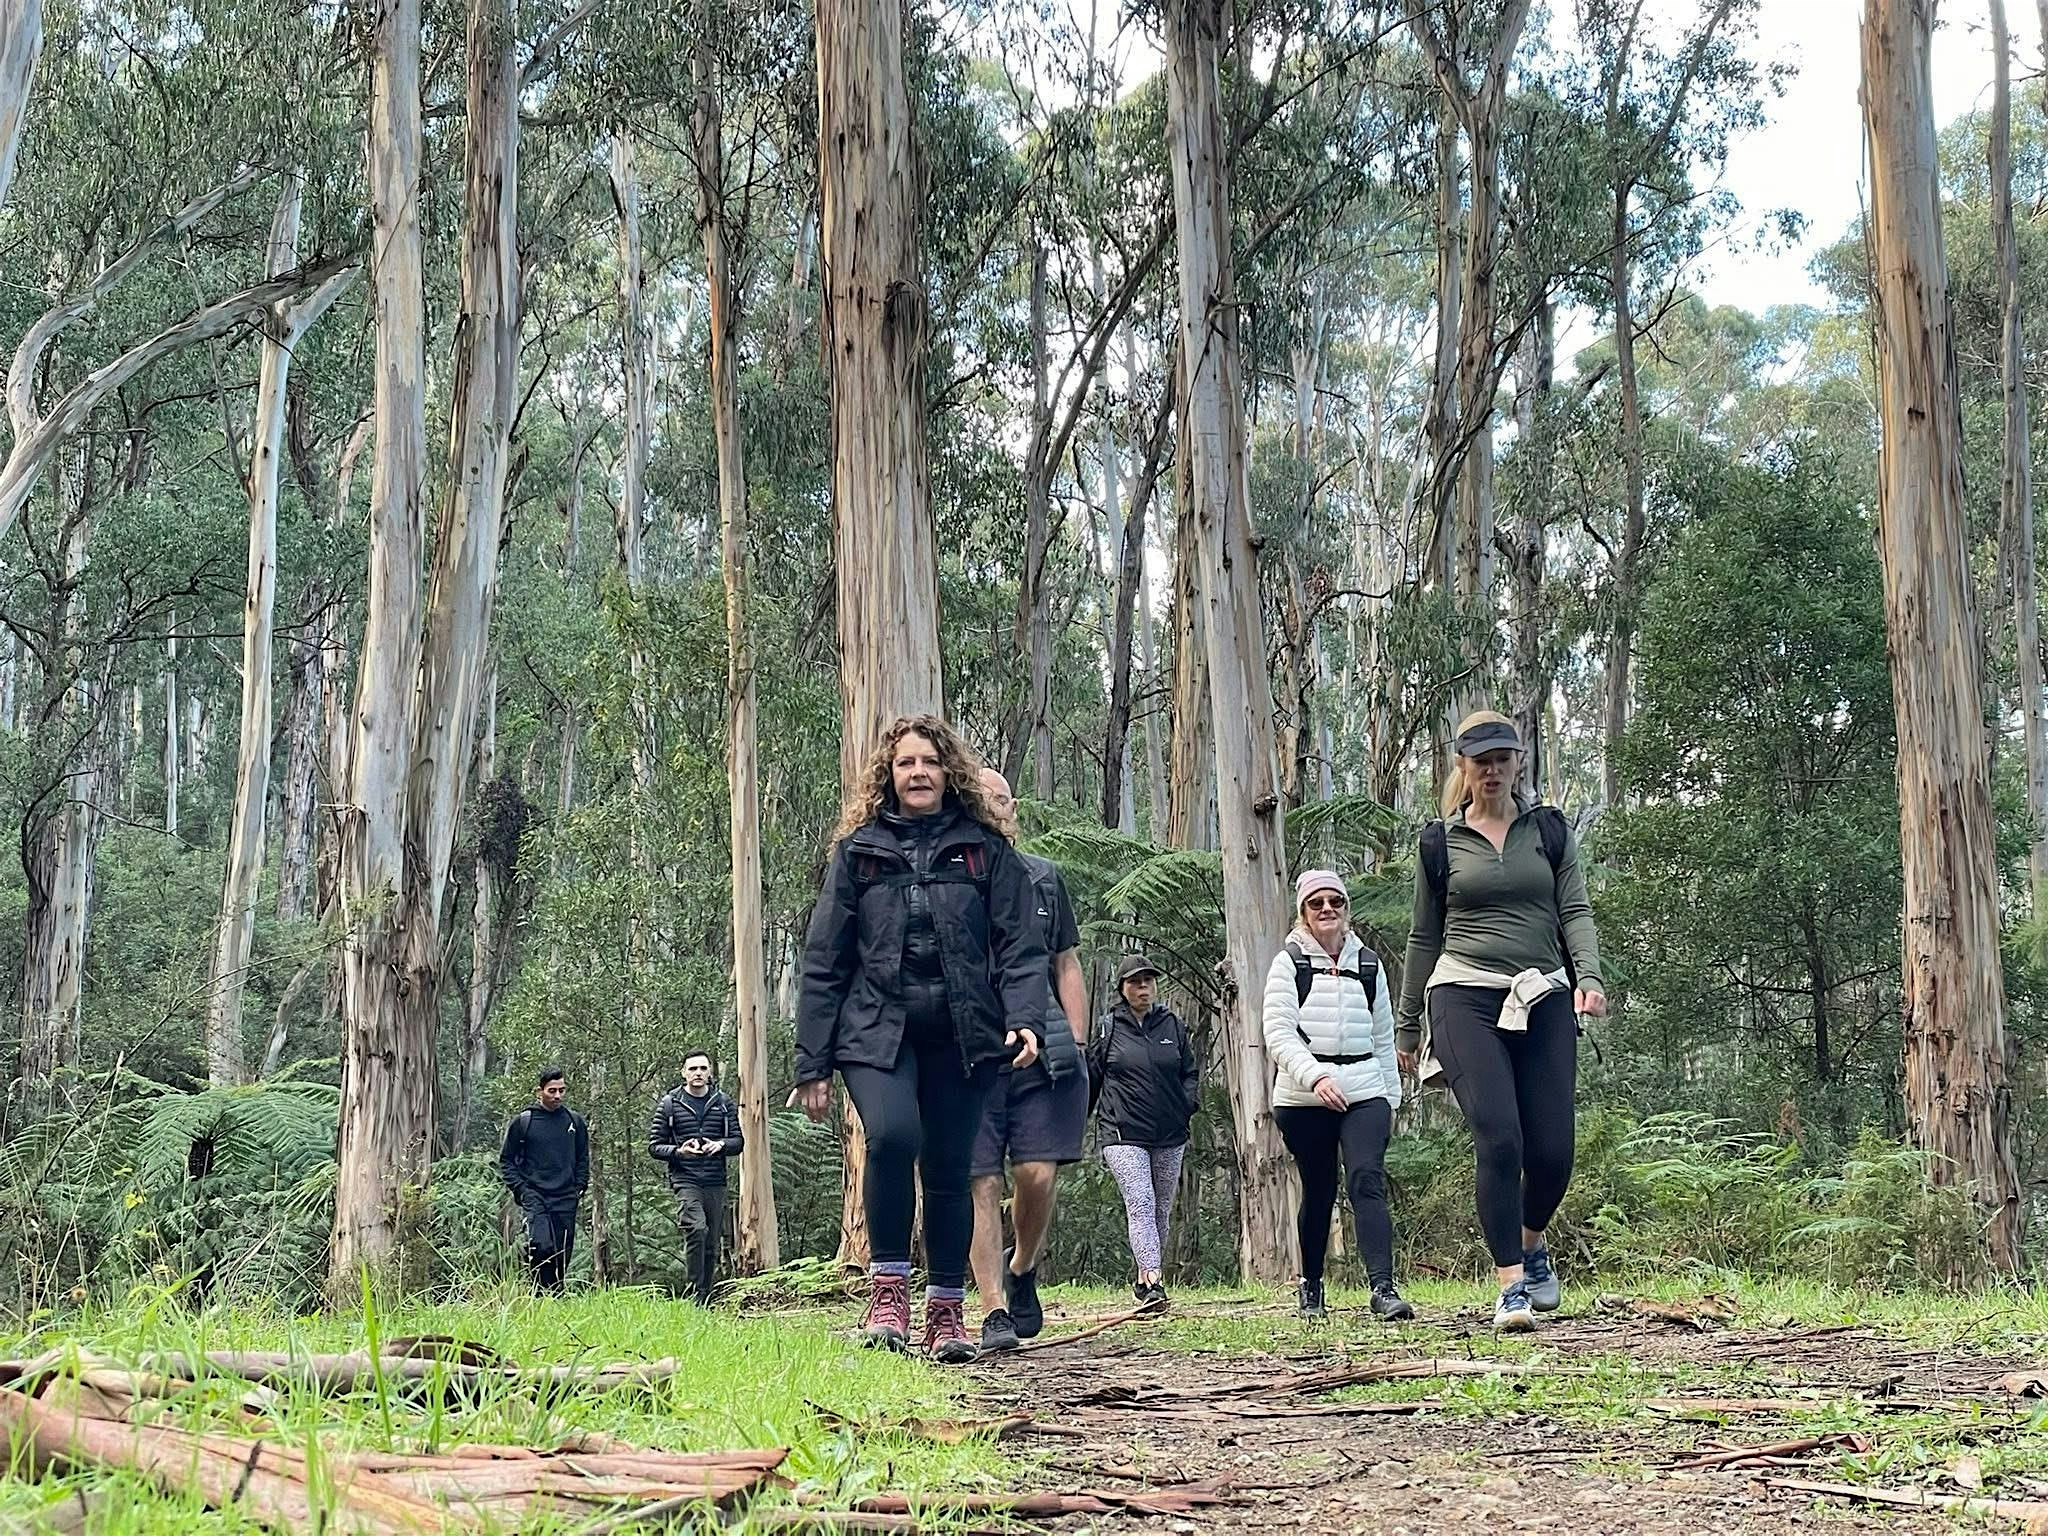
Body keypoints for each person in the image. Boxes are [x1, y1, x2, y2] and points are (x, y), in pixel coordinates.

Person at [793, 715, 1046, 1364]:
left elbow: (1020, 945)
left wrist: (1025, 1017)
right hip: (875, 1032)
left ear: (948, 771)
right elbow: (824, 960)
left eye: (929, 762)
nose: (918, 773)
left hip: (964, 1034)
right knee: (893, 1135)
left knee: (948, 1167)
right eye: (906, 762)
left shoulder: (984, 851)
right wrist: (812, 1062)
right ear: (889, 773)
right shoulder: (859, 852)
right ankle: (887, 1296)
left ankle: (945, 1311)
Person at [1398, 710, 1606, 1332]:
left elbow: (1575, 910)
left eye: (1502, 759)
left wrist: (1589, 978)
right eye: (1480, 761)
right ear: (1462, 767)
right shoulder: (1440, 844)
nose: (1491, 770)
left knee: (1553, 1151)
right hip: (1463, 993)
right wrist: (1407, 1026)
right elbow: (1423, 936)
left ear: (1519, 763)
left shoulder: (1549, 831)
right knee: (1499, 1135)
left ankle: (1532, 1243)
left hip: (1543, 993)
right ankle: (1511, 1285)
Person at [969, 766, 1092, 1355]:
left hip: (1043, 1049)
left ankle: (1021, 1266)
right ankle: (993, 1307)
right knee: (980, 1179)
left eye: (1004, 799)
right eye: (986, 799)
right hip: (972, 1053)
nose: (998, 807)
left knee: (1036, 1175)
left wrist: (1078, 1041)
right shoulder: (953, 881)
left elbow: (1066, 963)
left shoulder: (1043, 878)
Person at [1263, 869, 1413, 1323]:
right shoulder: (1289, 963)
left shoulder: (1368, 964)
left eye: (1335, 901)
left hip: (1364, 1088)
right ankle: (1311, 1285)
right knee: (1319, 1187)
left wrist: (1390, 1098)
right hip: (1303, 1097)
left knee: (1366, 1178)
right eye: (1317, 903)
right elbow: (1278, 1033)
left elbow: (1383, 1034)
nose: (1327, 909)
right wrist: (1315, 1078)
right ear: (1303, 912)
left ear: (1346, 909)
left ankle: (1383, 1288)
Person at [1088, 954, 1197, 1312]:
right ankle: (1153, 1281)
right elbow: (1092, 1078)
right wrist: (1072, 1126)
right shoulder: (1108, 1028)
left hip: (1170, 1132)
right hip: (1122, 1133)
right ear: (1122, 988)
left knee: (1161, 1209)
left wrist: (1187, 1105)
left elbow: (1189, 1072)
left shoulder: (1172, 1025)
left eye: (1148, 980)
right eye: (1135, 982)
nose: (1143, 987)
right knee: (1141, 1202)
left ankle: (1142, 1278)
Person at [648, 1049, 743, 1304]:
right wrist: (679, 1151)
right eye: (692, 1069)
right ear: (683, 1073)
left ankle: (705, 1296)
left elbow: (738, 1141)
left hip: (715, 1179)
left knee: (712, 1241)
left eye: (702, 1068)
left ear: (710, 1071)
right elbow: (655, 1146)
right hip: (686, 1179)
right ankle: (694, 1294)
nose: (698, 1073)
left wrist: (720, 1145)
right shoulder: (670, 1104)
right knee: (696, 1229)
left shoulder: (723, 1103)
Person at [499, 1067, 589, 1294]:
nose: (557, 1095)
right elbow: (507, 1161)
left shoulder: (574, 1121)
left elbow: (582, 1158)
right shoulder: (524, 1122)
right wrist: (522, 1190)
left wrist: (579, 1186)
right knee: (541, 1245)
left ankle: (555, 1296)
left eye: (561, 1090)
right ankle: (538, 1293)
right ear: (539, 1091)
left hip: (566, 1196)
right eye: (552, 1091)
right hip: (535, 1195)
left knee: (561, 1252)